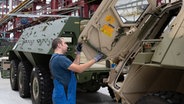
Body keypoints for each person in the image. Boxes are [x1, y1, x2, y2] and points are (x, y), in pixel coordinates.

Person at [49, 37, 103, 104]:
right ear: (59, 45)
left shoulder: (55, 58)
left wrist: (78, 53)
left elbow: (75, 67)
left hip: (63, 94)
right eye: (65, 43)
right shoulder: (60, 59)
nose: (67, 45)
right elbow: (79, 69)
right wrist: (95, 59)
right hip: (64, 97)